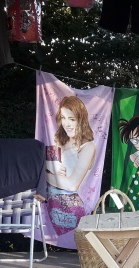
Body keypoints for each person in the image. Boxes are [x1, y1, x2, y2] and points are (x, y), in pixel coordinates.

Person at [44, 96, 96, 235]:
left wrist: (45, 174)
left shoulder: (88, 146)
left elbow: (72, 185)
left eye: (72, 119)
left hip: (71, 210)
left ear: (81, 119)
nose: (66, 124)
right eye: (63, 118)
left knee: (76, 243)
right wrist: (47, 166)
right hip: (50, 205)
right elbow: (47, 165)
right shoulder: (58, 140)